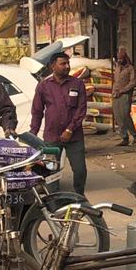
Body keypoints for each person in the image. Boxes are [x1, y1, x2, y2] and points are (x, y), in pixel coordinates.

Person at [30, 51, 89, 195]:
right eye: (63, 64)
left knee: (80, 169)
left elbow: (81, 109)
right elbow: (37, 111)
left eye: (68, 63)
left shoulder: (77, 84)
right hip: (52, 137)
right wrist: (32, 134)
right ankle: (54, 200)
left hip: (74, 136)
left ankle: (79, 196)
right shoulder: (44, 86)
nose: (67, 66)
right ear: (52, 66)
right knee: (51, 171)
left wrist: (70, 129)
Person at [111, 48, 136, 146]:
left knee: (125, 115)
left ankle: (134, 135)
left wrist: (122, 91)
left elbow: (133, 82)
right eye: (118, 59)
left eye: (121, 59)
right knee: (118, 116)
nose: (120, 60)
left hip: (125, 94)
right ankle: (124, 137)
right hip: (115, 95)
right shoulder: (117, 68)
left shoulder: (130, 68)